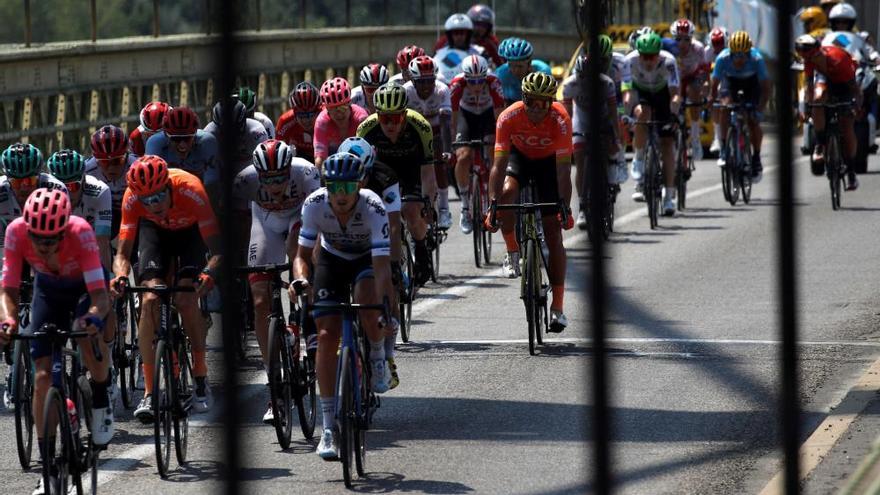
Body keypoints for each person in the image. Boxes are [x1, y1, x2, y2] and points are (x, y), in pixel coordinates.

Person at [0, 188, 114, 495]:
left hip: (83, 287)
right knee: (41, 376)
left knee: (85, 332)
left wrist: (93, 318)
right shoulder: (16, 232)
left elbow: (100, 296)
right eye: (37, 238)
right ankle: (48, 470)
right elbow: (8, 291)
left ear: (65, 228)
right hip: (48, 291)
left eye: (51, 239)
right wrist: (8, 321)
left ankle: (102, 398)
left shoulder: (81, 232)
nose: (44, 245)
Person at [291, 152, 397, 460]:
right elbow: (301, 255)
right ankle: (328, 427)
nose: (340, 194)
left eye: (348, 187)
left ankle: (377, 356)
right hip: (332, 260)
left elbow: (382, 269)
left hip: (366, 260)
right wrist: (300, 280)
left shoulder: (374, 206)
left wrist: (384, 308)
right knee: (326, 336)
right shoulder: (314, 204)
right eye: (334, 186)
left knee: (367, 301)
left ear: (360, 184)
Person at [110, 156, 222, 421]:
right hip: (155, 233)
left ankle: (200, 377)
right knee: (149, 299)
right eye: (147, 200)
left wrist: (209, 274)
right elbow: (123, 255)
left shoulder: (191, 189)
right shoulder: (133, 198)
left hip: (190, 232)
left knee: (185, 299)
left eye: (159, 196)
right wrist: (121, 277)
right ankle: (150, 392)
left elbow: (218, 250)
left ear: (169, 187)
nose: (155, 203)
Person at [232, 139, 320, 424]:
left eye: (280, 176)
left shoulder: (306, 172)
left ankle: (306, 325)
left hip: (299, 219)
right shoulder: (244, 181)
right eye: (267, 179)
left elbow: (318, 215)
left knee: (298, 260)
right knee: (259, 299)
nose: (275, 184)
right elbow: (234, 220)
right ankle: (274, 383)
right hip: (265, 223)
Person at [487, 72, 573, 331]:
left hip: (549, 166)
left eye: (544, 103)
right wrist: (493, 205)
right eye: (532, 102)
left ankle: (557, 308)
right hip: (520, 159)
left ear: (551, 102)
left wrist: (564, 207)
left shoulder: (561, 119)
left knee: (553, 234)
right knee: (507, 194)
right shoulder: (509, 117)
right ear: (523, 100)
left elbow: (563, 172)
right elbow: (499, 164)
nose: (537, 109)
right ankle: (513, 250)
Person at [337, 137, 402, 389]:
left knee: (389, 287)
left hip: (379, 234)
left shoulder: (385, 177)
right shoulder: (336, 175)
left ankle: (386, 355)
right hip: (345, 239)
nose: (358, 181)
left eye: (363, 175)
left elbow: (394, 225)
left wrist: (394, 265)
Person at [356, 82, 436, 287]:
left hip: (411, 169)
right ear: (377, 115)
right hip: (380, 172)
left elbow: (428, 171)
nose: (390, 125)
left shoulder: (421, 126)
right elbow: (360, 172)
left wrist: (428, 202)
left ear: (405, 115)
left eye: (396, 118)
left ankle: (421, 248)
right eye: (384, 118)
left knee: (411, 210)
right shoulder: (365, 129)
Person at [563, 46, 622, 230]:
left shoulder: (607, 83)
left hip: (602, 119)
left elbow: (613, 113)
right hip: (581, 120)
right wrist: (567, 137)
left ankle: (610, 178)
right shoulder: (569, 85)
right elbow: (567, 115)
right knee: (580, 160)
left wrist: (616, 137)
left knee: (608, 148)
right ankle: (582, 207)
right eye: (583, 78)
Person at [622, 32, 682, 214]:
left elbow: (675, 93)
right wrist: (629, 110)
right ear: (638, 53)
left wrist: (673, 113)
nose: (648, 61)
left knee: (667, 143)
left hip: (663, 94)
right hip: (642, 93)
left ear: (659, 53)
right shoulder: (629, 61)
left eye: (652, 56)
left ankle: (669, 196)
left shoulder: (669, 61)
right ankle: (639, 158)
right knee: (643, 114)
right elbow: (627, 90)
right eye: (644, 56)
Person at [796, 34, 862, 189]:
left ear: (817, 52)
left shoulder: (837, 59)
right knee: (818, 102)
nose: (807, 59)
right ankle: (820, 143)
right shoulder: (810, 60)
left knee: (847, 127)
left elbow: (855, 89)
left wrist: (856, 105)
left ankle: (851, 171)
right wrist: (807, 106)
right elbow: (809, 86)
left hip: (845, 82)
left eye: (809, 55)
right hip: (825, 80)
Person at [448, 54, 505, 234]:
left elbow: (500, 117)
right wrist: (453, 142)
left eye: (480, 80)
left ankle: (490, 192)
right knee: (463, 156)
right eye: (472, 82)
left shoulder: (494, 82)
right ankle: (465, 206)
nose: (477, 86)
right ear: (465, 78)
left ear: (485, 77)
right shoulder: (457, 85)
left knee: (492, 149)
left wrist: (499, 141)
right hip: (467, 117)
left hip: (488, 115)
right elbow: (454, 118)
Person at [708, 31, 770, 183]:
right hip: (731, 82)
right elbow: (714, 85)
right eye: (735, 55)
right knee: (725, 107)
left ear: (749, 53)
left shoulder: (757, 59)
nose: (739, 59)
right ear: (730, 52)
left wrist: (760, 110)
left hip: (752, 84)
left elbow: (766, 88)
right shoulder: (722, 57)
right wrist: (711, 102)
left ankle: (756, 157)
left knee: (753, 121)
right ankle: (723, 148)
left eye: (743, 55)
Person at [404, 55, 454, 229]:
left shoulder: (442, 90)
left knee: (438, 161)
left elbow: (446, 124)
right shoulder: (405, 92)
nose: (426, 86)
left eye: (429, 81)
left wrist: (447, 150)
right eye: (421, 82)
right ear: (413, 80)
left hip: (436, 132)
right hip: (414, 133)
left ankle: (444, 208)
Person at [0, 144, 66, 264]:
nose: (24, 187)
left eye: (30, 180)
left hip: (45, 243)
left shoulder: (56, 189)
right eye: (16, 182)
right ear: (7, 179)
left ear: (39, 176)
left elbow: (64, 237)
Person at [47, 150, 113, 270]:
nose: (66, 194)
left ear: (84, 179)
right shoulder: (42, 193)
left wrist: (107, 279)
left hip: (90, 242)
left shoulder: (100, 191)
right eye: (60, 187)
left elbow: (102, 242)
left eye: (72, 186)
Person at [86, 125, 138, 240]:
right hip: (105, 212)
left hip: (134, 211)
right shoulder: (87, 171)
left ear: (127, 155)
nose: (111, 168)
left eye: (117, 160)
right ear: (96, 160)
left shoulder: (137, 166)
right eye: (104, 162)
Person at [145, 106, 219, 184]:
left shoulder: (207, 142)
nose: (182, 145)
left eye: (187, 138)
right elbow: (151, 183)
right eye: (176, 139)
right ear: (166, 136)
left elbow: (211, 183)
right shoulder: (155, 143)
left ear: (195, 135)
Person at [670, 18, 710, 160]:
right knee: (674, 101)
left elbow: (705, 71)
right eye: (678, 39)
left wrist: (705, 86)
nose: (682, 44)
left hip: (693, 76)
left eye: (686, 39)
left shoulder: (698, 48)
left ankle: (695, 136)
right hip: (676, 79)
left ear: (691, 38)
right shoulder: (670, 49)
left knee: (695, 93)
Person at [313, 77, 369, 170]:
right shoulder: (322, 122)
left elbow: (369, 153)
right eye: (333, 109)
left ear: (349, 103)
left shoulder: (361, 118)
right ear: (326, 108)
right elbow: (320, 159)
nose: (339, 114)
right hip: (333, 165)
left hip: (359, 162)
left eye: (342, 107)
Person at [204, 99, 270, 175]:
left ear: (244, 122)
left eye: (234, 130)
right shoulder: (209, 135)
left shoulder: (257, 132)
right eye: (225, 131)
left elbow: (265, 167)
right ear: (216, 126)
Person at [495, 37, 552, 105]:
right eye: (511, 66)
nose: (516, 70)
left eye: (520, 66)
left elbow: (551, 100)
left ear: (529, 63)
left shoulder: (543, 71)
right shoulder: (501, 73)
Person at [276, 81, 320, 164]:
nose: (306, 120)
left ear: (318, 111)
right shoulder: (285, 121)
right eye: (301, 115)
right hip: (300, 159)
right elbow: (278, 151)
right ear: (294, 113)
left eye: (310, 114)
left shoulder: (326, 115)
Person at [434, 13, 486, 81]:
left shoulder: (480, 52)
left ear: (468, 35)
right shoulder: (438, 53)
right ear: (450, 35)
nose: (459, 36)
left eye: (462, 33)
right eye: (456, 33)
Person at [704, 27, 729, 154]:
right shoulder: (707, 52)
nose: (717, 46)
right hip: (715, 78)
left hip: (729, 78)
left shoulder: (730, 51)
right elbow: (705, 73)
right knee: (715, 99)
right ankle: (717, 137)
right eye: (715, 43)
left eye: (720, 43)